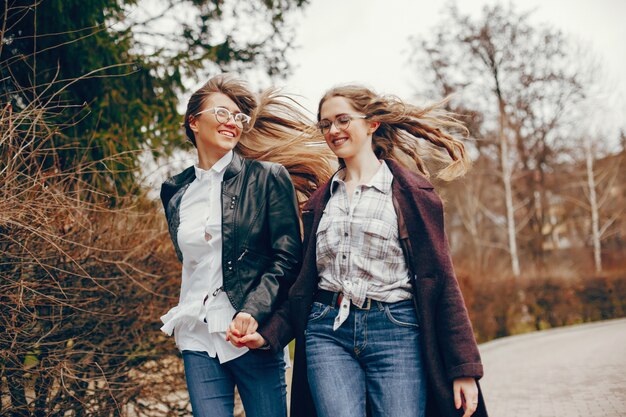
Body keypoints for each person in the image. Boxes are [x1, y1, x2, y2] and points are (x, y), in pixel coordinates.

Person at [245, 85, 488, 417]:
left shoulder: (414, 195)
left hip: (397, 331)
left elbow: (442, 282)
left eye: (343, 120)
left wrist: (464, 368)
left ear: (372, 123)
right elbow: (301, 288)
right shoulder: (319, 204)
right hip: (327, 332)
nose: (333, 130)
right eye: (326, 124)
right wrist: (268, 334)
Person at [159, 74, 332, 417]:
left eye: (238, 117)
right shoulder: (174, 191)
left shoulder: (267, 177)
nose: (232, 123)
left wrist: (252, 310)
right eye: (222, 113)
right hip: (197, 334)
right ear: (193, 121)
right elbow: (191, 261)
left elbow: (287, 257)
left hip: (251, 336)